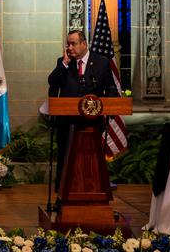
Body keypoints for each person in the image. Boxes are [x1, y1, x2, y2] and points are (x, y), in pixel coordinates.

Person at [46, 29, 118, 192]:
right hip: (67, 123)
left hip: (92, 123)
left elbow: (111, 89)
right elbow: (52, 82)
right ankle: (62, 194)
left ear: (84, 44)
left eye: (73, 44)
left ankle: (93, 192)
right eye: (68, 44)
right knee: (65, 157)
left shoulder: (101, 62)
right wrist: (64, 64)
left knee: (91, 159)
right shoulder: (63, 62)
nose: (69, 48)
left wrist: (110, 109)